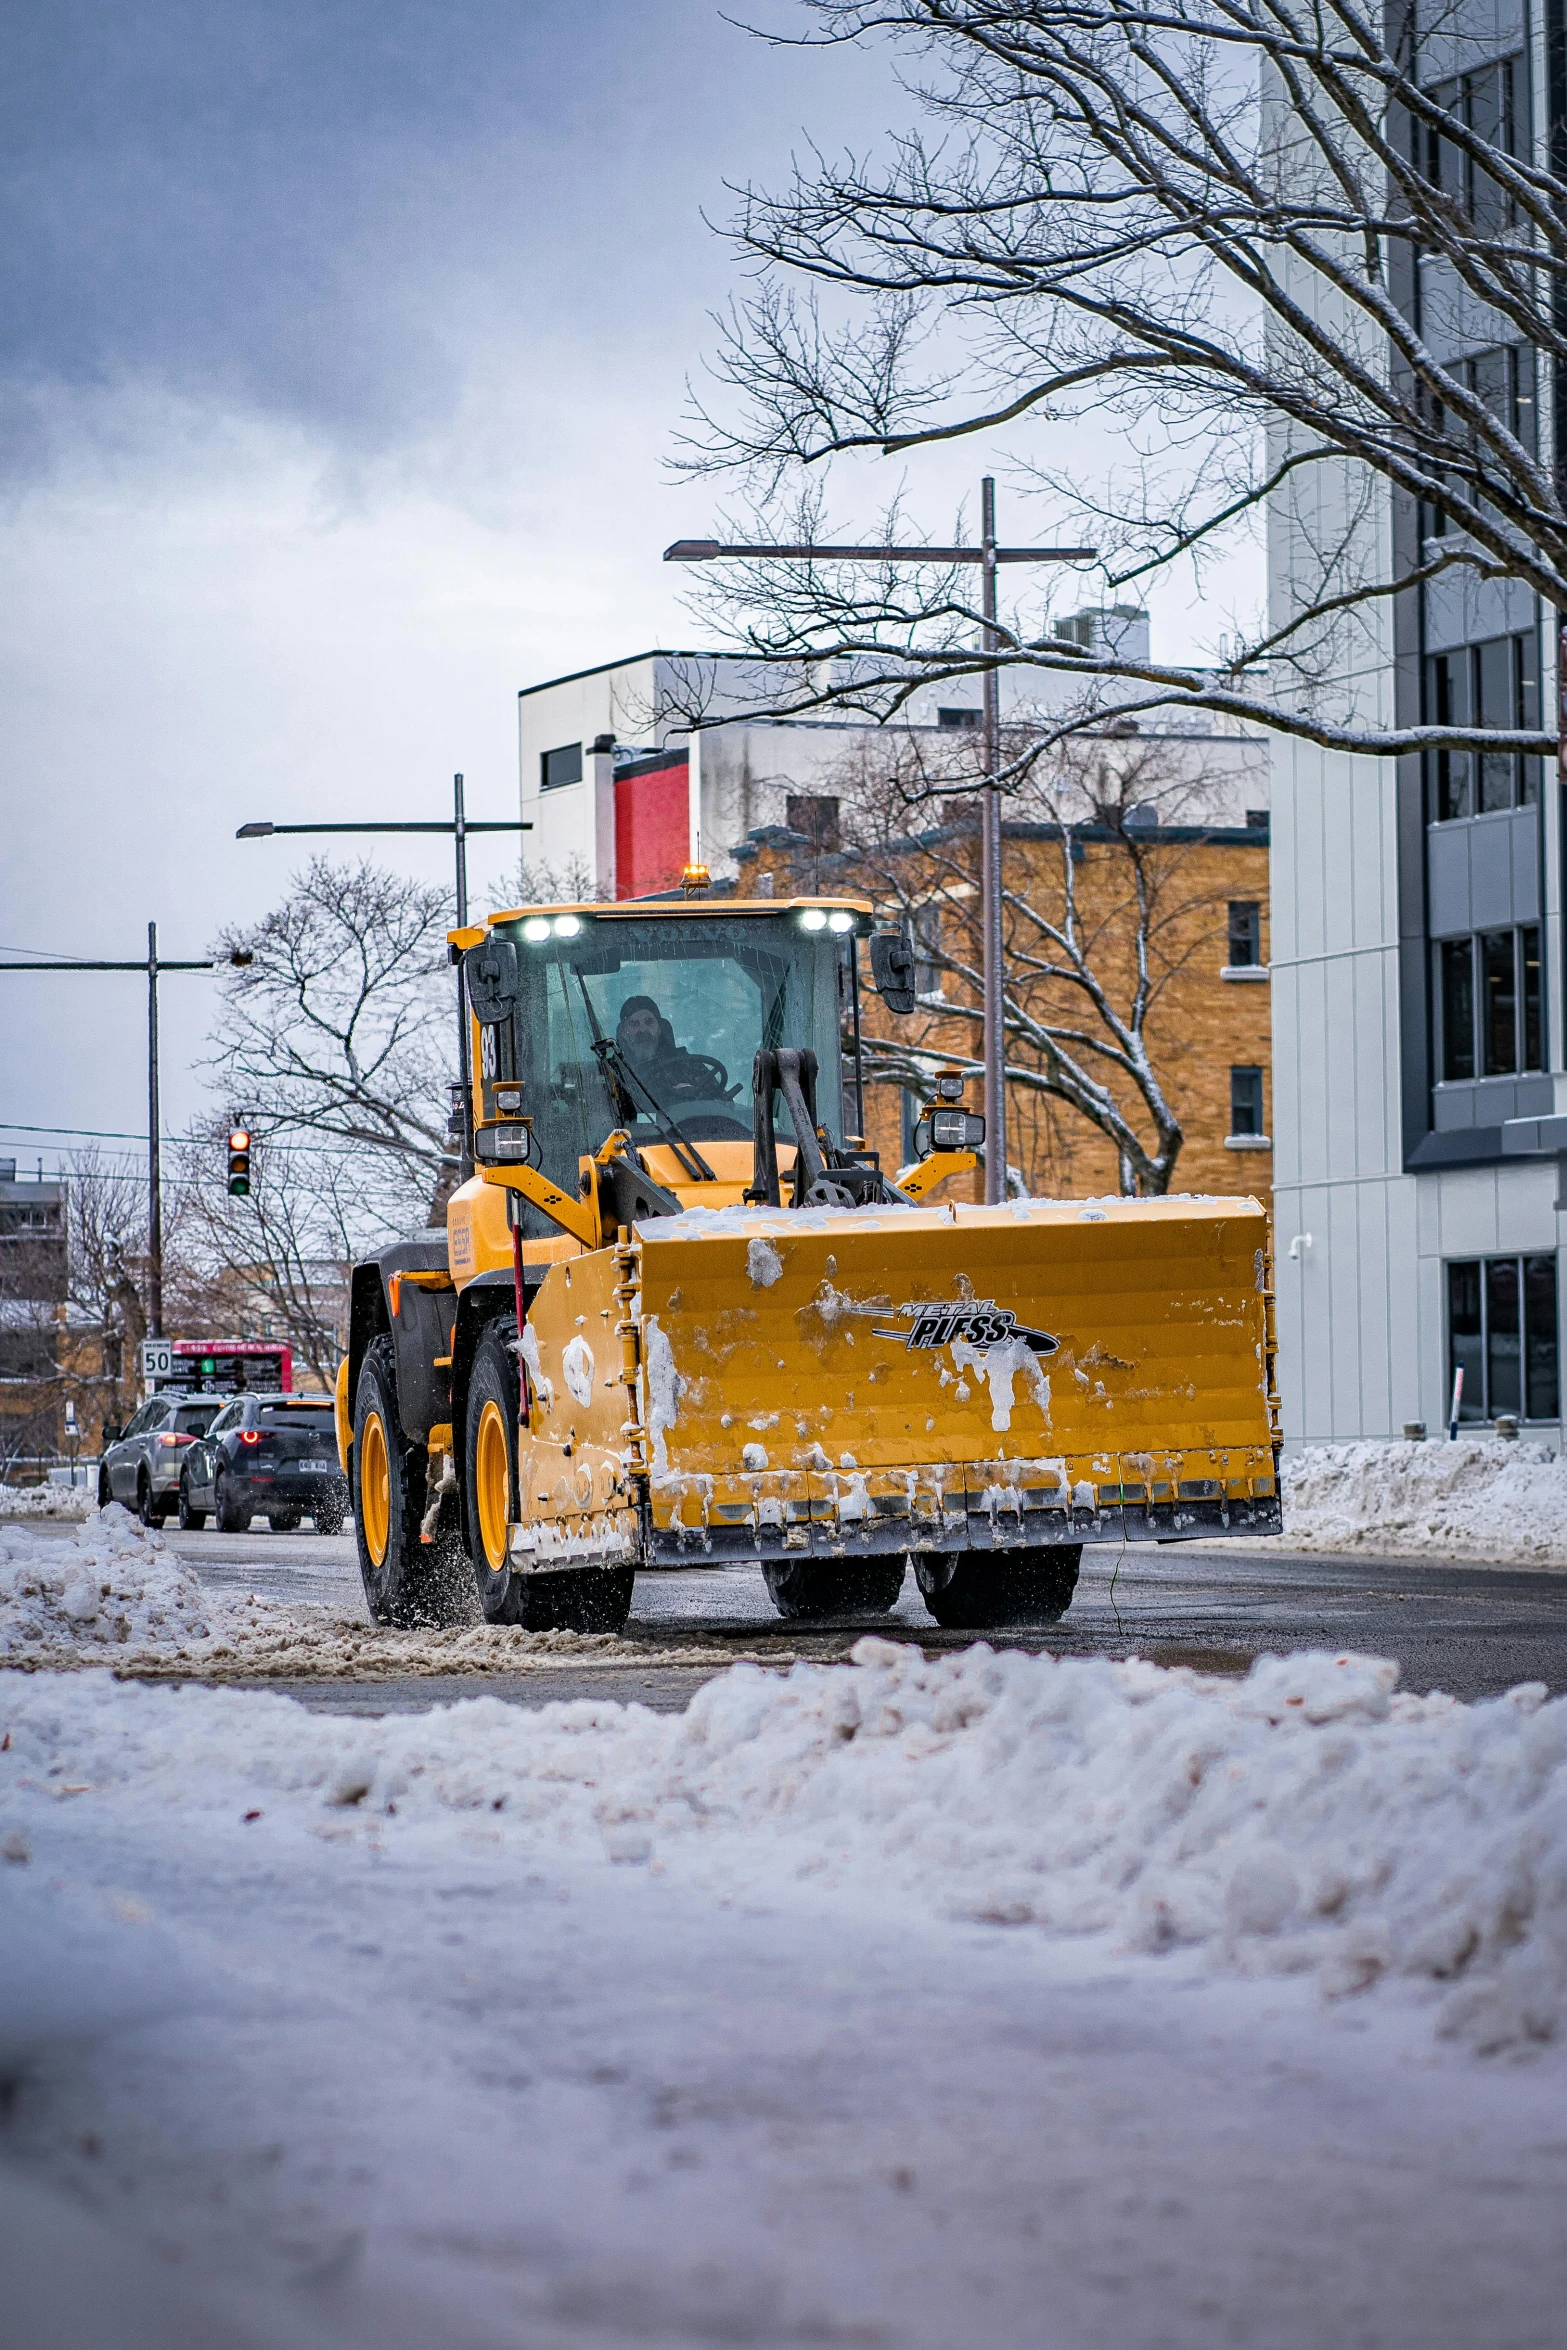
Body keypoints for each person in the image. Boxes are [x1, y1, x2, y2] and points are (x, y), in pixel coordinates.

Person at [613, 995, 717, 1099]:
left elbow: (723, 1104)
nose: (642, 1030)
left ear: (659, 1028)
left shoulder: (688, 1064)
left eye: (649, 1022)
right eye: (634, 1024)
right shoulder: (612, 1070)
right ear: (623, 1033)